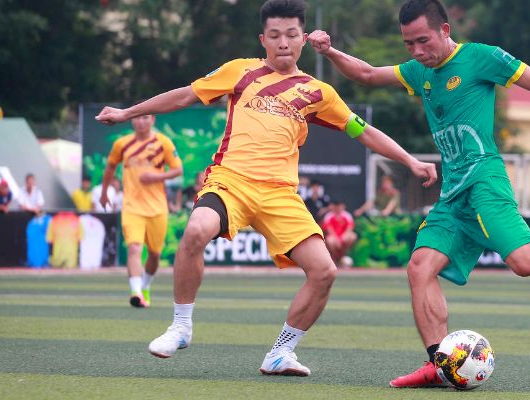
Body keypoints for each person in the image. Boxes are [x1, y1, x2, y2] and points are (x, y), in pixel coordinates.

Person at [308, 0, 530, 387]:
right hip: (452, 193)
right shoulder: (419, 71)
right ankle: (439, 364)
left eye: (423, 41)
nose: (417, 51)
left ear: (444, 30)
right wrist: (330, 51)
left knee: (527, 262)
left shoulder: (482, 58)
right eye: (409, 44)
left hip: (484, 180)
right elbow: (368, 74)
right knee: (420, 268)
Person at [95, 0, 437, 377]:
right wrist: (127, 113)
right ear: (263, 39)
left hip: (280, 195)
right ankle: (180, 326)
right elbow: (184, 95)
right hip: (231, 181)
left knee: (324, 271)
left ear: (303, 39)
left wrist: (410, 161)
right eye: (274, 35)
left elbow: (364, 132)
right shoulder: (239, 70)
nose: (283, 43)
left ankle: (280, 353)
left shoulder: (319, 92)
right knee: (196, 230)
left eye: (291, 35)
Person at [100, 111, 183, 308]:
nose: (141, 121)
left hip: (157, 208)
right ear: (132, 121)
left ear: (152, 120)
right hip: (131, 207)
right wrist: (104, 193)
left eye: (146, 117)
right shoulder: (122, 144)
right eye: (138, 117)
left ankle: (145, 286)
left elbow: (178, 170)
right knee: (134, 248)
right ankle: (135, 292)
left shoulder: (163, 142)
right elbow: (110, 168)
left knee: (154, 254)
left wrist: (156, 177)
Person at [321, 200, 357, 268]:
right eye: (337, 206)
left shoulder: (347, 215)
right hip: (334, 237)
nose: (338, 207)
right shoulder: (329, 216)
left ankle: (344, 255)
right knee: (330, 240)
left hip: (344, 237)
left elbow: (350, 227)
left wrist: (344, 236)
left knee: (353, 236)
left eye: (340, 206)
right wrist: (337, 239)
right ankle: (336, 258)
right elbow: (329, 229)